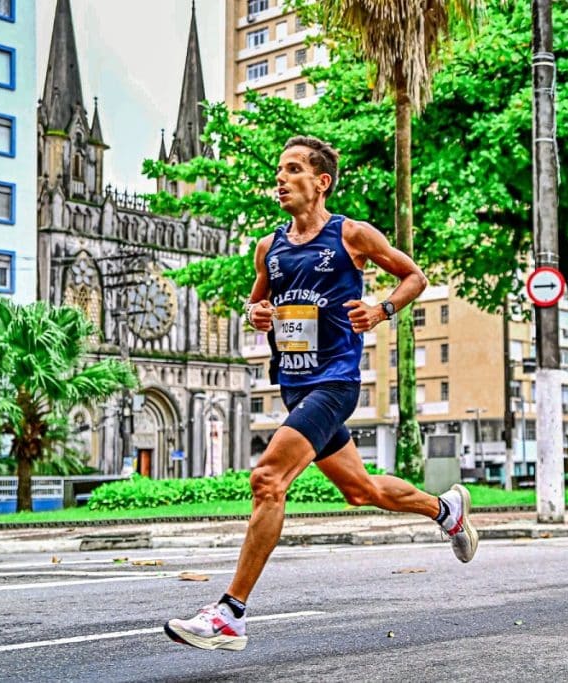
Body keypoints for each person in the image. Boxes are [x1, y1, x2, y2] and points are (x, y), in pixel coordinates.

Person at [165, 136, 478, 651]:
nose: (280, 180)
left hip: (335, 382)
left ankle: (229, 615)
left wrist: (381, 310)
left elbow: (414, 277)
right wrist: (255, 314)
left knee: (267, 479)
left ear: (321, 182)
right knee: (361, 491)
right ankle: (446, 511)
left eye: (292, 170)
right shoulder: (270, 247)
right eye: (279, 171)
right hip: (294, 385)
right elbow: (256, 303)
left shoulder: (351, 235)